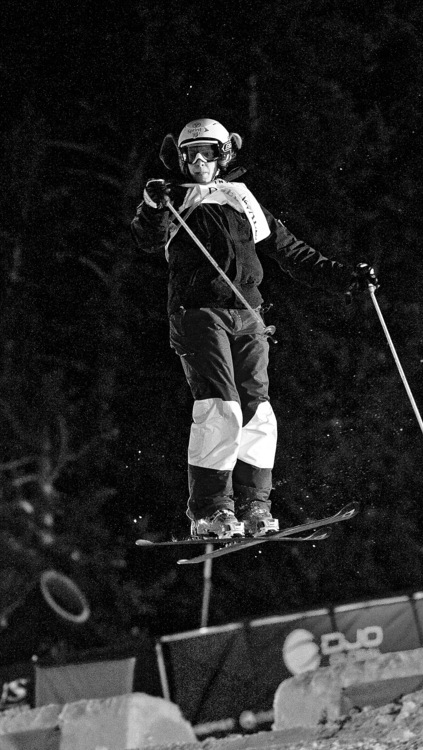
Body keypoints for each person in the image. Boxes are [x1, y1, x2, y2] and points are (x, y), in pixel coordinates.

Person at [131, 117, 377, 540]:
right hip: (198, 311)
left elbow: (290, 251)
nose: (199, 162)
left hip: (249, 313)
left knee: (258, 411)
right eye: (190, 155)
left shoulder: (241, 200)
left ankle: (253, 505)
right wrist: (153, 204)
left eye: (209, 152)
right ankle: (210, 509)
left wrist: (345, 277)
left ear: (224, 155)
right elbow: (149, 237)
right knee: (220, 406)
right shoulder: (174, 198)